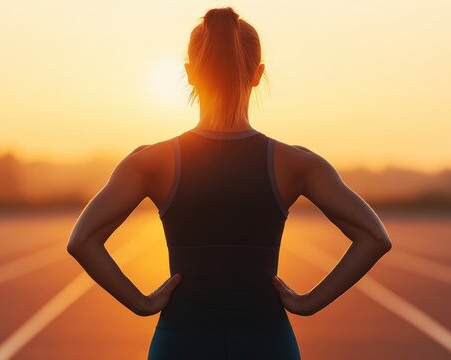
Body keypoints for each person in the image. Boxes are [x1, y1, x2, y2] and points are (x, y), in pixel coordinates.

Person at [67, 6, 392, 360]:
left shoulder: (151, 162)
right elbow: (374, 237)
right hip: (266, 341)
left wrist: (142, 303)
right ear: (257, 74)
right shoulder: (295, 163)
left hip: (180, 341)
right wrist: (307, 302)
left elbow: (83, 240)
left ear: (190, 73)